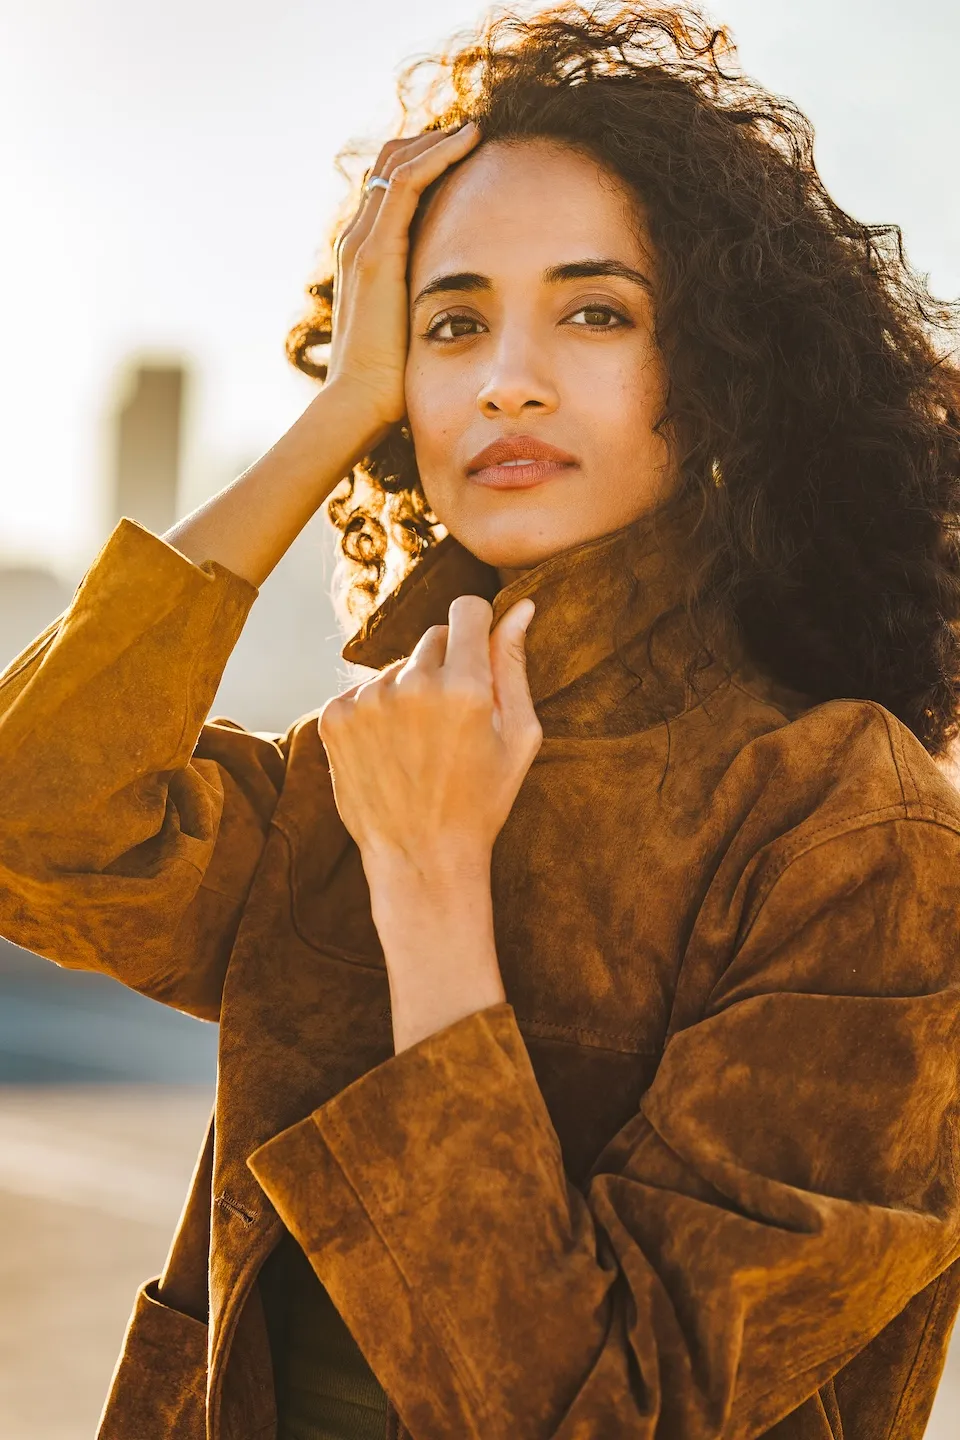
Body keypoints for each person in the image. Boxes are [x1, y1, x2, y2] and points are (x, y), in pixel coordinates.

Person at [3, 3, 960, 1437]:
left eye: (596, 310)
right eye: (453, 324)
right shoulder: (379, 749)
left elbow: (610, 1418)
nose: (508, 374)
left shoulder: (846, 823)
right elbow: (35, 822)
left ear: (717, 380)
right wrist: (338, 415)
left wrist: (433, 888)